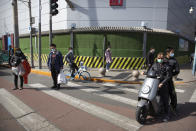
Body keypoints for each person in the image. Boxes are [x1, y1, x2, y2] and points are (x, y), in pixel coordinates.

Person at [145, 52, 172, 122]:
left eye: (161, 58)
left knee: (165, 100)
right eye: (159, 58)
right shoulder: (155, 65)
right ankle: (154, 112)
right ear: (157, 58)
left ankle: (167, 115)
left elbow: (168, 76)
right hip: (155, 84)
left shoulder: (166, 66)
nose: (160, 59)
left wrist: (162, 83)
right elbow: (150, 71)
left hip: (163, 85)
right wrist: (145, 73)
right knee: (154, 98)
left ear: (163, 59)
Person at [164, 47, 180, 112]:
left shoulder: (174, 60)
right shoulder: (162, 59)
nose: (173, 53)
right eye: (172, 52)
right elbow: (155, 66)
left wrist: (171, 74)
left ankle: (174, 107)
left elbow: (177, 70)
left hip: (169, 80)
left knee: (173, 94)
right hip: (161, 79)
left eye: (173, 52)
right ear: (168, 53)